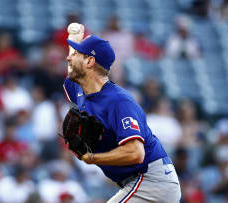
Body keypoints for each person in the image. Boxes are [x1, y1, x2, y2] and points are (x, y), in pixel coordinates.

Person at [63, 25, 181, 202]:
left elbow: (135, 153)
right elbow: (71, 72)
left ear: (90, 62)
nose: (68, 58)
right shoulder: (81, 91)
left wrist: (92, 158)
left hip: (153, 180)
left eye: (76, 55)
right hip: (136, 182)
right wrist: (75, 42)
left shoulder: (119, 101)